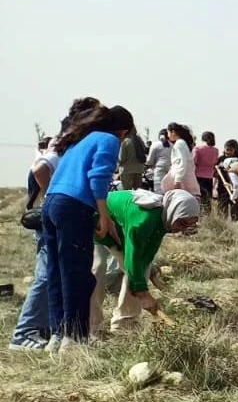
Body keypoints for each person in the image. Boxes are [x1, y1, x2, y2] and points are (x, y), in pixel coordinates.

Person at [11, 100, 103, 351]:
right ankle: (24, 332)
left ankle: (44, 330)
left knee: (52, 274)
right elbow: (40, 169)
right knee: (47, 275)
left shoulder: (69, 144)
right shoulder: (62, 146)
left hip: (54, 212)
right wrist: (51, 195)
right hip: (57, 213)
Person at [41, 105, 135, 349]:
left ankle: (57, 335)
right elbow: (99, 177)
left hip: (51, 204)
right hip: (74, 207)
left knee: (56, 272)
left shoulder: (82, 137)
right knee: (77, 275)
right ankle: (75, 338)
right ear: (123, 131)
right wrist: (104, 215)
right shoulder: (108, 140)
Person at [87, 189, 201, 335]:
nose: (181, 229)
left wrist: (143, 278)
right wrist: (142, 293)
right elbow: (133, 256)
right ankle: (91, 326)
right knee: (96, 268)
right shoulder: (145, 218)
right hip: (98, 219)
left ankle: (125, 323)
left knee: (142, 270)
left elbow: (147, 253)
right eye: (181, 222)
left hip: (122, 229)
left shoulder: (165, 218)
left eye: (188, 225)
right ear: (174, 211)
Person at [161, 123, 201, 197]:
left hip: (181, 178)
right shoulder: (183, 143)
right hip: (184, 176)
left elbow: (182, 162)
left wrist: (177, 180)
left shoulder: (179, 144)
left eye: (168, 132)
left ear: (173, 132)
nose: (168, 135)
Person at [192, 132, 221, 211]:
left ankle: (198, 214)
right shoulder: (216, 150)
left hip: (198, 176)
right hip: (209, 177)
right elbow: (215, 162)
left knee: (198, 197)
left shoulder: (197, 149)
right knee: (207, 198)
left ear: (202, 138)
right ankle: (207, 215)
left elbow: (194, 161)